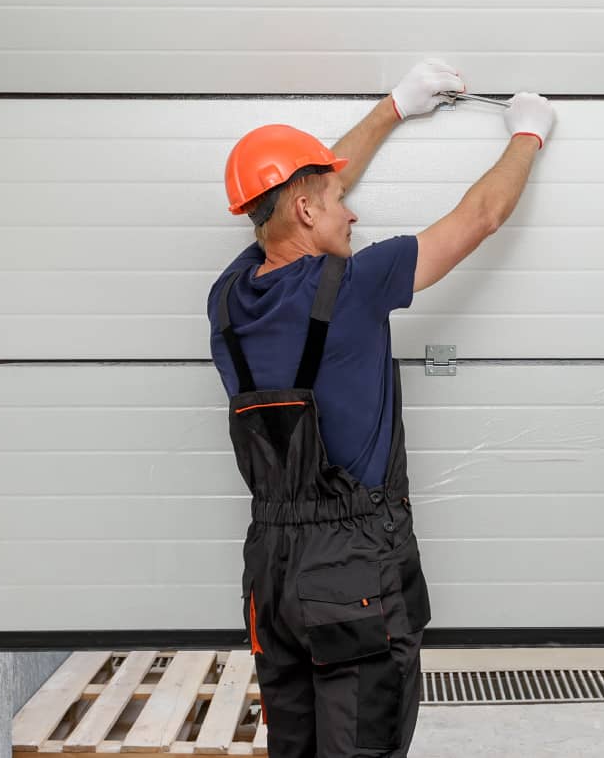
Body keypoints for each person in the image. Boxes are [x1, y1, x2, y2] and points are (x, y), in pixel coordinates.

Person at [208, 59, 556, 757]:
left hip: (272, 571)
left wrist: (394, 107)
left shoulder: (228, 297)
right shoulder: (358, 284)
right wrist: (529, 133)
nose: (353, 209)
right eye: (336, 200)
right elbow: (482, 216)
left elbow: (298, 194)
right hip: (352, 569)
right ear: (306, 210)